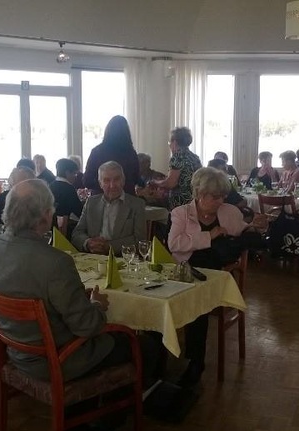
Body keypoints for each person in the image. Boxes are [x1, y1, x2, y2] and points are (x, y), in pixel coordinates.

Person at [0, 179, 156, 431]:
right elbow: (88, 327)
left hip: (15, 351)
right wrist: (96, 305)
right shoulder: (56, 262)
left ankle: (81, 424)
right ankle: (104, 427)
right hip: (56, 359)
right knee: (142, 346)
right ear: (45, 216)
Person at [168, 168, 265, 387]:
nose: (220, 201)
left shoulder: (229, 211)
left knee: (198, 304)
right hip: (185, 274)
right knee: (184, 298)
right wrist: (209, 236)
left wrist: (258, 226)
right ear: (199, 193)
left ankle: (195, 363)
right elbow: (174, 245)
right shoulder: (181, 213)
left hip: (216, 278)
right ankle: (158, 365)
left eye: (222, 196)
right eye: (214, 196)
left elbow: (245, 232)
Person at [71, 161, 147, 255]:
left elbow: (140, 240)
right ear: (100, 184)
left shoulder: (137, 204)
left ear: (123, 180)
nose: (112, 185)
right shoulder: (91, 202)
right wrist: (88, 243)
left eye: (116, 179)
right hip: (93, 257)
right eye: (106, 180)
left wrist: (109, 246)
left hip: (120, 258)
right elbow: (77, 233)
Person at [83, 116, 140, 196]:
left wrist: (105, 184)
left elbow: (87, 180)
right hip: (126, 197)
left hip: (100, 198)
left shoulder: (97, 152)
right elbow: (136, 178)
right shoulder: (131, 153)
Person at [151, 127, 203, 210]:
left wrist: (156, 182)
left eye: (169, 142)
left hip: (181, 201)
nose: (169, 145)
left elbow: (171, 183)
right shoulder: (195, 157)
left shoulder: (177, 157)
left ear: (174, 142)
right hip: (195, 199)